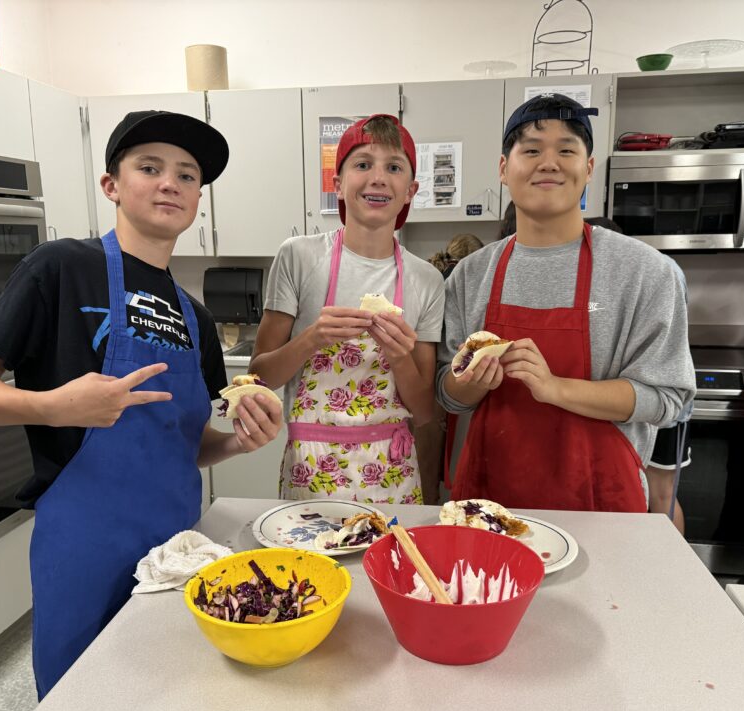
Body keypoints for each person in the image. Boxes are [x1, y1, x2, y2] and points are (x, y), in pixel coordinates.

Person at [0, 111, 283, 698]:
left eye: (187, 174)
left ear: (198, 197)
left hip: (178, 542)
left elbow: (184, 444)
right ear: (112, 185)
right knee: (81, 704)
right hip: (83, 542)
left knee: (165, 694)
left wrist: (234, 442)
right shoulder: (61, 268)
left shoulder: (193, 317)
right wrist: (54, 406)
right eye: (149, 167)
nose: (169, 183)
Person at [438, 93, 694, 512]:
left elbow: (667, 400)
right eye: (532, 150)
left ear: (588, 168)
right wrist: (466, 384)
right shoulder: (471, 274)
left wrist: (556, 388)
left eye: (567, 150)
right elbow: (448, 397)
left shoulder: (645, 271)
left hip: (602, 506)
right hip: (489, 505)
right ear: (504, 169)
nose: (549, 162)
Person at [250, 114, 444, 504]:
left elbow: (424, 412)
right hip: (311, 473)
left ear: (411, 190)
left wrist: (401, 358)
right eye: (362, 164)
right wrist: (311, 339)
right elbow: (258, 379)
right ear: (337, 186)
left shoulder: (426, 280)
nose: (378, 177)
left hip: (392, 474)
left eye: (394, 167)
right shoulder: (299, 258)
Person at [586, 215, 690, 534]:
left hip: (661, 399)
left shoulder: (654, 269)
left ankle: (665, 574)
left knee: (660, 492)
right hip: (626, 402)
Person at [418, 233, 484, 503]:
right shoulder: (467, 281)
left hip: (425, 381)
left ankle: (431, 498)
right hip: (442, 382)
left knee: (427, 465)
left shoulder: (433, 274)